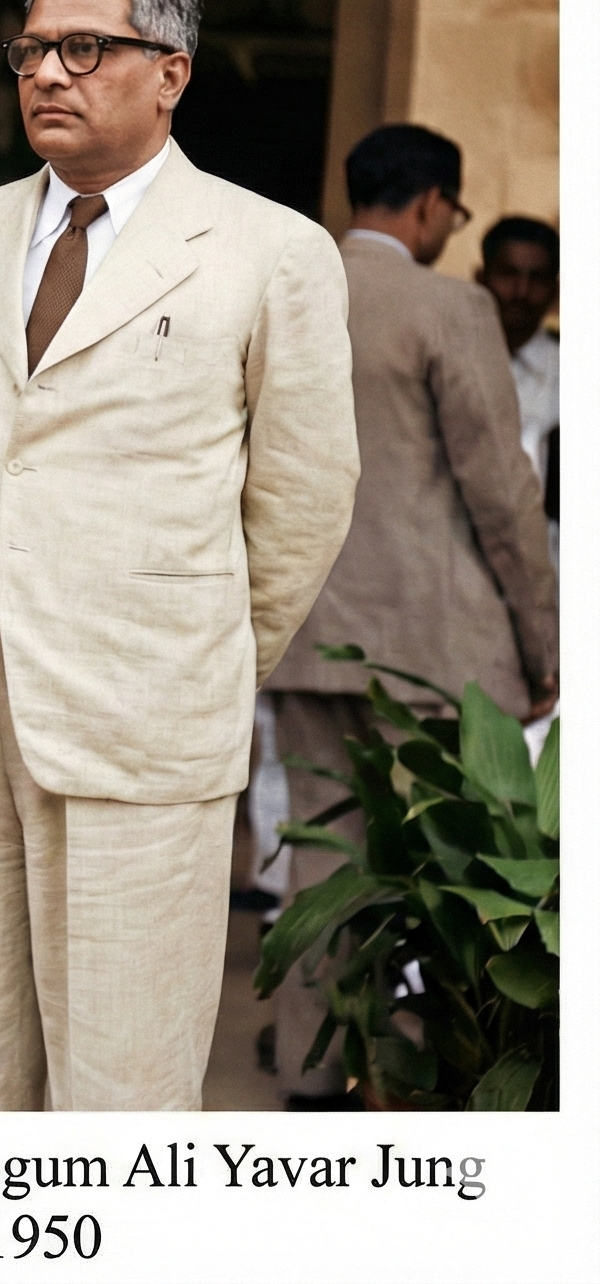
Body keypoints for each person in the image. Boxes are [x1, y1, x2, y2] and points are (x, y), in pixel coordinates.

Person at [0, 0, 358, 1113]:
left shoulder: (268, 250)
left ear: (170, 71)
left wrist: (192, 651)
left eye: (84, 48)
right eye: (31, 49)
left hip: (143, 711)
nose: (48, 73)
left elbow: (301, 498)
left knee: (122, 1081)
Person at [263, 127, 557, 1105]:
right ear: (430, 204)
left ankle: (313, 1073)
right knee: (436, 863)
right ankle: (415, 1070)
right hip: (431, 643)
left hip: (305, 622)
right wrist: (543, 638)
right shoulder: (446, 304)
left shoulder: (281, 288)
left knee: (321, 851)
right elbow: (499, 490)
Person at [475, 215, 560, 569]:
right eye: (508, 275)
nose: (521, 292)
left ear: (555, 290)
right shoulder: (450, 361)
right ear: (481, 279)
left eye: (536, 279)